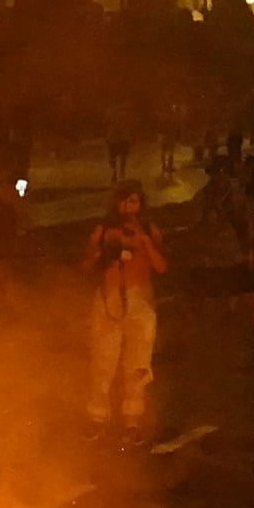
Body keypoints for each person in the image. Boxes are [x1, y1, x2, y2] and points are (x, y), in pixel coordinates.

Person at [81, 180, 167, 446]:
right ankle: (97, 418)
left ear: (141, 204)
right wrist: (99, 251)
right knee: (103, 363)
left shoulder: (150, 231)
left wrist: (143, 241)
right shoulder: (103, 230)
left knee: (137, 365)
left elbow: (162, 267)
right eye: (124, 201)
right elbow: (84, 265)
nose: (129, 207)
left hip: (140, 301)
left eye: (134, 201)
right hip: (108, 300)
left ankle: (132, 421)